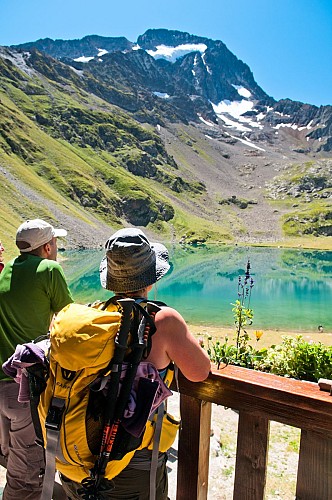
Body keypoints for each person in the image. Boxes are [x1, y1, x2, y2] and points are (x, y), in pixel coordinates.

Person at [60, 227, 211, 500]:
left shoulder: (95, 314)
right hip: (133, 458)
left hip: (80, 454)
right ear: (151, 280)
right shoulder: (163, 320)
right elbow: (200, 372)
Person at [0, 218, 74, 500]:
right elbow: (71, 321)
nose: (56, 248)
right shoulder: (50, 269)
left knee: (14, 465)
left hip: (1, 385)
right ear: (46, 246)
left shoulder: (5, 270)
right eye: (55, 243)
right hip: (24, 391)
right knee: (25, 482)